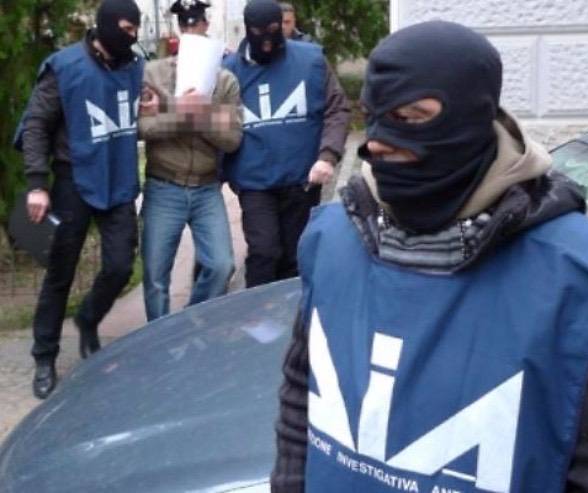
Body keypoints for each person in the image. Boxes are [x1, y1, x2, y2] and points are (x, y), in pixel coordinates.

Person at [271, 21, 588, 492]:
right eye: (374, 115)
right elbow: (300, 397)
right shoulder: (330, 238)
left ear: (472, 117)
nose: (378, 141)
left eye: (412, 116)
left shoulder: (582, 279)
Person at [15, 0, 144, 399]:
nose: (132, 37)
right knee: (61, 272)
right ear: (106, 25)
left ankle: (88, 319)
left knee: (120, 266)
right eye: (126, 28)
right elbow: (36, 125)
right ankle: (44, 355)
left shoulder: (133, 66)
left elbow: (139, 116)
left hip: (118, 177)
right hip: (74, 180)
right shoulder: (65, 67)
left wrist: (152, 110)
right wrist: (37, 183)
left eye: (135, 29)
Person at [222, 0, 350, 288]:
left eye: (273, 30)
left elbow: (337, 108)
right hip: (254, 181)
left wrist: (327, 156)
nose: (267, 42)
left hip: (301, 179)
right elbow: (215, 124)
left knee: (296, 257)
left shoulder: (311, 60)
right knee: (264, 252)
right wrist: (223, 173)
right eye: (259, 32)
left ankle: (291, 311)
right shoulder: (228, 71)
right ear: (247, 30)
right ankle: (257, 312)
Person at [138, 0, 242, 322]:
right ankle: (159, 338)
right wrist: (183, 113)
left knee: (222, 265)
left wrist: (198, 114)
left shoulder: (224, 81)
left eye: (196, 23)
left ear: (205, 26)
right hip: (163, 185)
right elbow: (143, 128)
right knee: (156, 275)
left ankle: (189, 323)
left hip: (206, 187)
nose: (190, 29)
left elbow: (232, 139)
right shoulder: (154, 74)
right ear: (177, 28)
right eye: (184, 24)